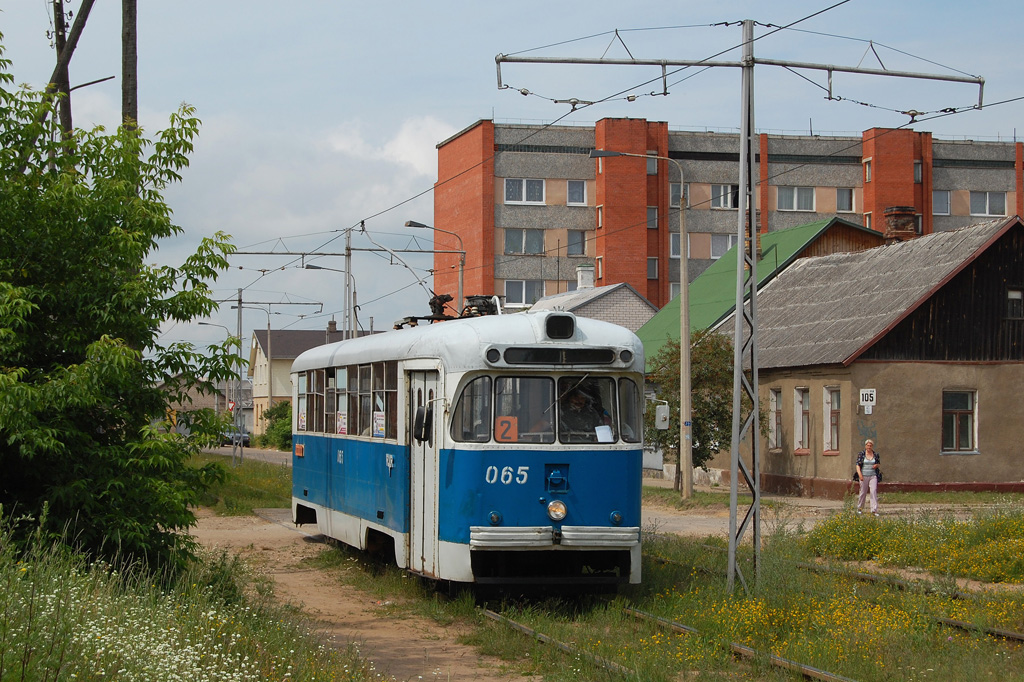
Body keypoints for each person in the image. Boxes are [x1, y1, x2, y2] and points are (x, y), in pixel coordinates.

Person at [856, 439, 881, 516]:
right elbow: (857, 465)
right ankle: (859, 508)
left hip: (873, 475)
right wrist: (860, 474)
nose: (869, 447)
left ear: (872, 446)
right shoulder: (862, 454)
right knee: (863, 492)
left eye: (870, 445)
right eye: (868, 445)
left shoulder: (875, 454)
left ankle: (874, 510)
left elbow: (878, 463)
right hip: (864, 475)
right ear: (865, 446)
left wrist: (876, 465)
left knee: (873, 491)